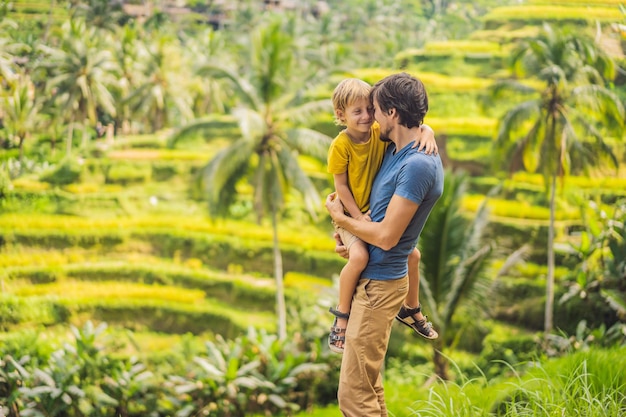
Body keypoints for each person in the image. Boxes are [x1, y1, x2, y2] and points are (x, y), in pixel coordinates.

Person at [325, 72, 444, 416]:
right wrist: (426, 128)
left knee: (353, 395)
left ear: (391, 113)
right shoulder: (397, 145)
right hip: (375, 276)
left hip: (380, 285)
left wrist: (342, 218)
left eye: (374, 109)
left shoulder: (418, 164)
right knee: (369, 385)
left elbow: (389, 237)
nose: (370, 118)